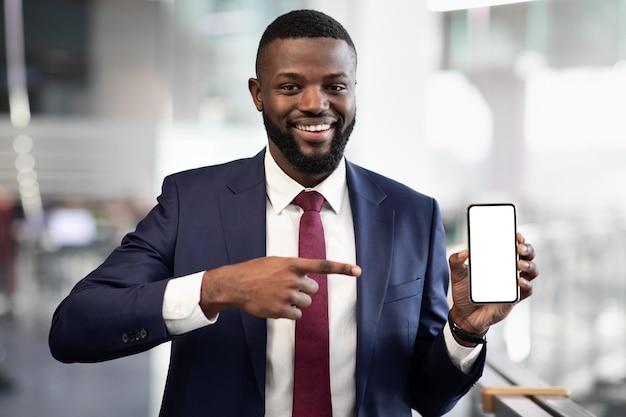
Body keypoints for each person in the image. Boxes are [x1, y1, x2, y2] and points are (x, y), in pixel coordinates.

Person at [49, 9, 538, 417]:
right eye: (290, 86)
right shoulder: (190, 201)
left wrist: (465, 329)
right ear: (257, 94)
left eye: (335, 85)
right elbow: (75, 328)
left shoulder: (414, 215)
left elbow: (428, 398)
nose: (315, 104)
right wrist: (219, 287)